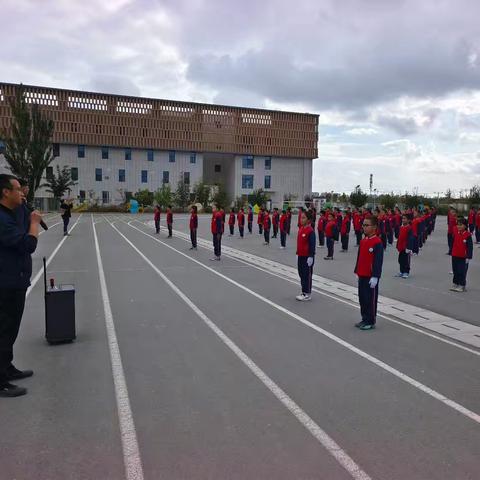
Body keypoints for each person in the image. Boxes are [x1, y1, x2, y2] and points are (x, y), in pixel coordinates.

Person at [0, 174, 42, 397]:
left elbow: (24, 220)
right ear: (5, 192)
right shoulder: (2, 220)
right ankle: (1, 381)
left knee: (11, 329)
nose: (22, 192)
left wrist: (28, 213)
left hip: (15, 280)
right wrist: (34, 223)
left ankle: (7, 368)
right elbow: (28, 244)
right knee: (4, 330)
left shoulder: (11, 213)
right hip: (6, 283)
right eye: (17, 189)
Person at [354, 216, 384, 330]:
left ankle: (370, 320)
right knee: (362, 298)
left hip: (370, 277)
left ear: (374, 227)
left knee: (370, 299)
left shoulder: (377, 242)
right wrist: (357, 271)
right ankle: (364, 318)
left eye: (367, 225)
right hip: (362, 274)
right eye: (363, 225)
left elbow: (378, 261)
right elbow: (359, 258)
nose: (364, 227)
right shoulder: (363, 241)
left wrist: (375, 276)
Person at [296, 210, 316, 301]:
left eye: (303, 218)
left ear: (308, 220)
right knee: (301, 273)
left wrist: (311, 256)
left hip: (307, 257)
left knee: (306, 275)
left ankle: (307, 293)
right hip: (300, 255)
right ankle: (303, 291)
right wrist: (297, 253)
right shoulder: (301, 229)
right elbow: (299, 243)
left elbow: (312, 244)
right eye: (301, 217)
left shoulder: (310, 231)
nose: (301, 219)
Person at [450, 218, 473, 292]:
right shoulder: (456, 233)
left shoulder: (467, 235)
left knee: (461, 271)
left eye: (461, 225)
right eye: (458, 225)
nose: (459, 226)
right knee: (455, 270)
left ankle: (462, 285)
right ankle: (455, 283)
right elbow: (453, 243)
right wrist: (451, 251)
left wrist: (468, 257)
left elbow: (470, 247)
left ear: (465, 226)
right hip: (455, 255)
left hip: (463, 257)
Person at [395, 214, 413, 278]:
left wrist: (409, 248)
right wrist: (397, 245)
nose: (403, 220)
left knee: (406, 261)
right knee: (400, 260)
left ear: (408, 220)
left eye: (405, 218)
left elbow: (410, 239)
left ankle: (406, 272)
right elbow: (399, 237)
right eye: (402, 218)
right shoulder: (401, 227)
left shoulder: (409, 228)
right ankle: (401, 271)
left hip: (406, 247)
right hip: (401, 247)